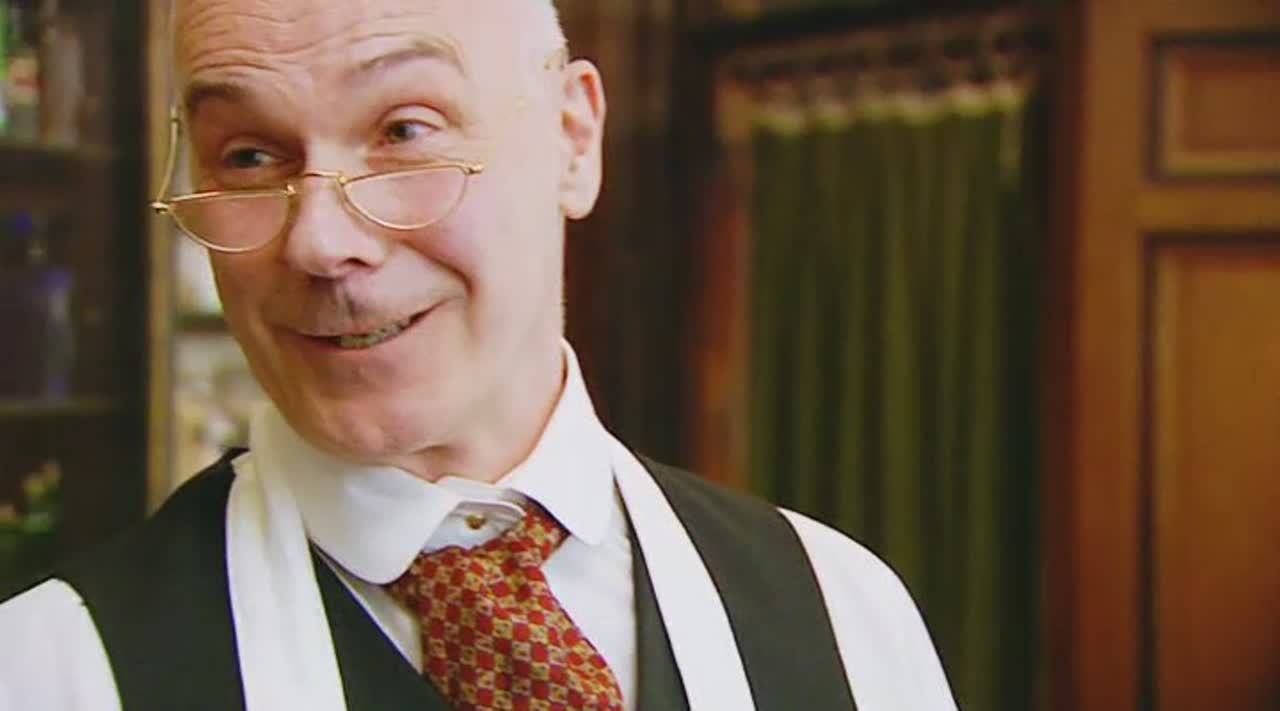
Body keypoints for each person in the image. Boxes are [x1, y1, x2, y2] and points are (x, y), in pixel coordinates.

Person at [0, 1, 957, 709]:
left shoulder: (843, 621)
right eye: (250, 155)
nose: (321, 242)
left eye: (403, 132)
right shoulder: (55, 671)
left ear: (572, 139)